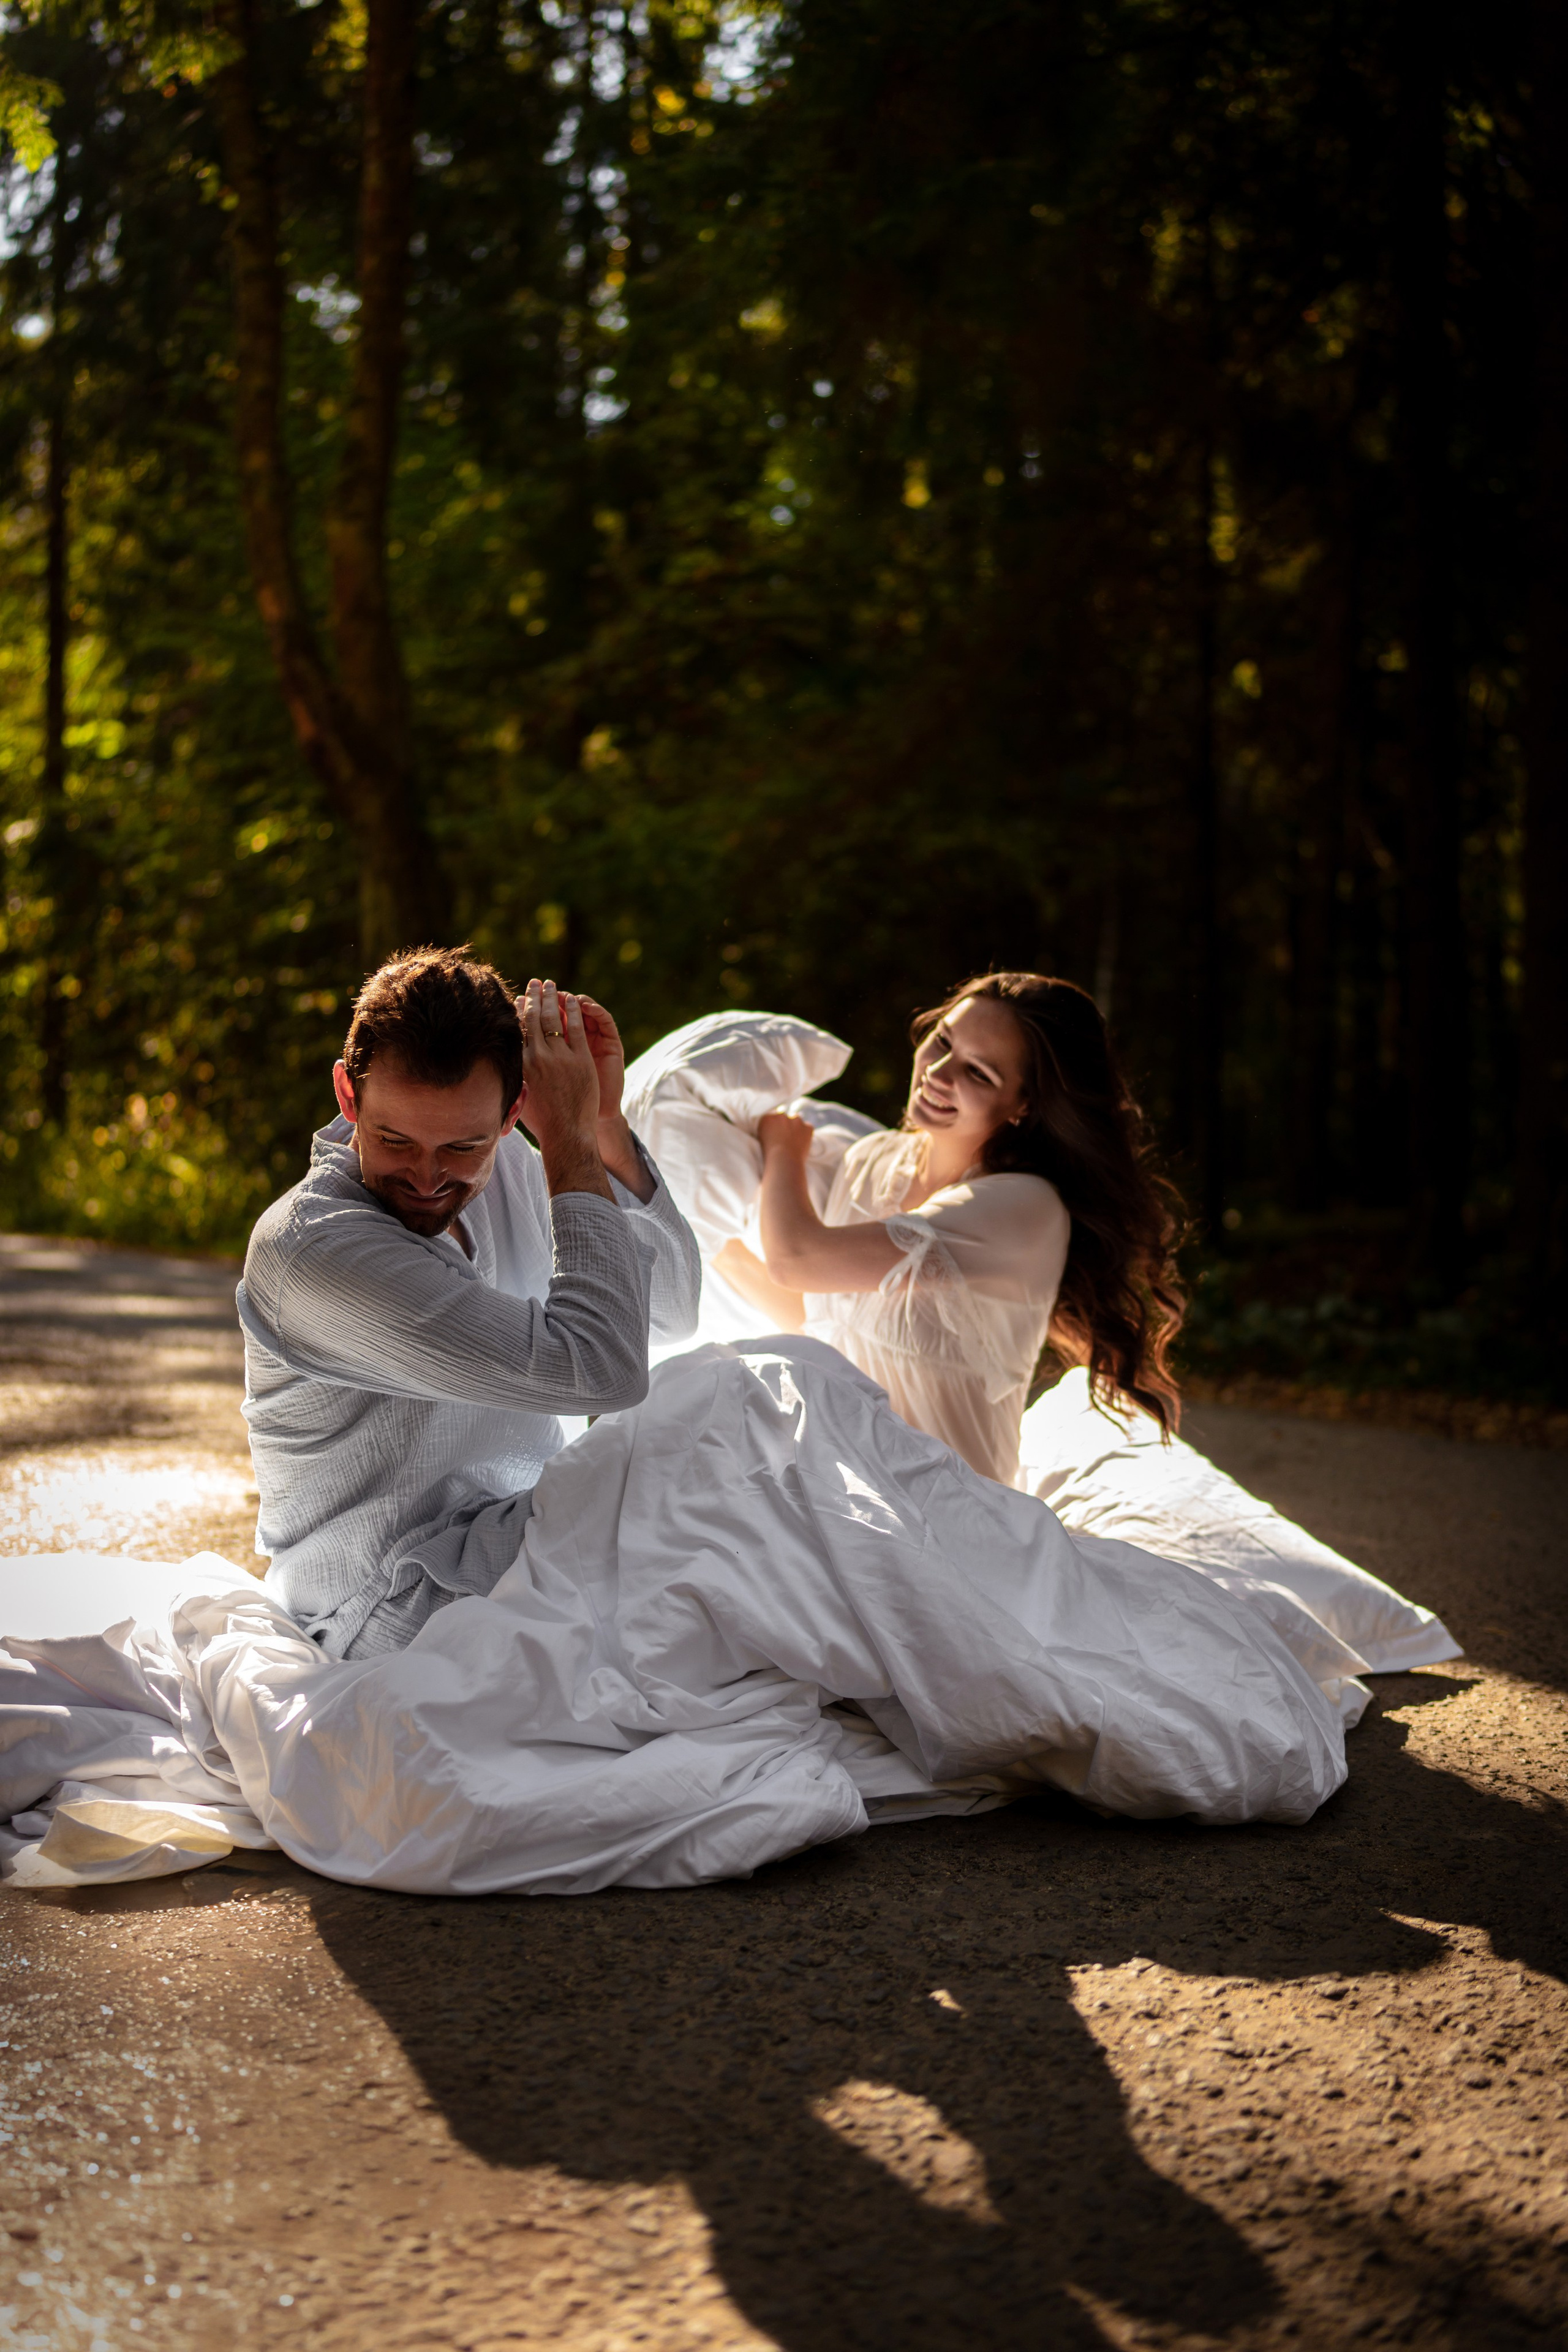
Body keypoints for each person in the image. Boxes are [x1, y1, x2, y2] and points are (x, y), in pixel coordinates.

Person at [236, 946, 701, 1660]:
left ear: (516, 1109)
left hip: (521, 1541)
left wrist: (600, 1125)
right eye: (394, 1139)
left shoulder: (518, 1165)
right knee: (731, 1457)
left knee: (762, 1412)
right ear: (347, 1097)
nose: (427, 1177)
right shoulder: (315, 1252)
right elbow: (605, 1371)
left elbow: (666, 1311)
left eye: (463, 1144)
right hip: (385, 1606)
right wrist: (569, 1139)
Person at [707, 973, 1182, 1488]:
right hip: (845, 1482)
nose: (937, 1071)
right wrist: (710, 1244)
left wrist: (783, 1150)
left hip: (950, 1511)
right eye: (943, 1042)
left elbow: (797, 1260)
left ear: (1026, 1105)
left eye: (978, 1073)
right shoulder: (871, 1160)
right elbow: (820, 1317)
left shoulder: (1025, 1207)